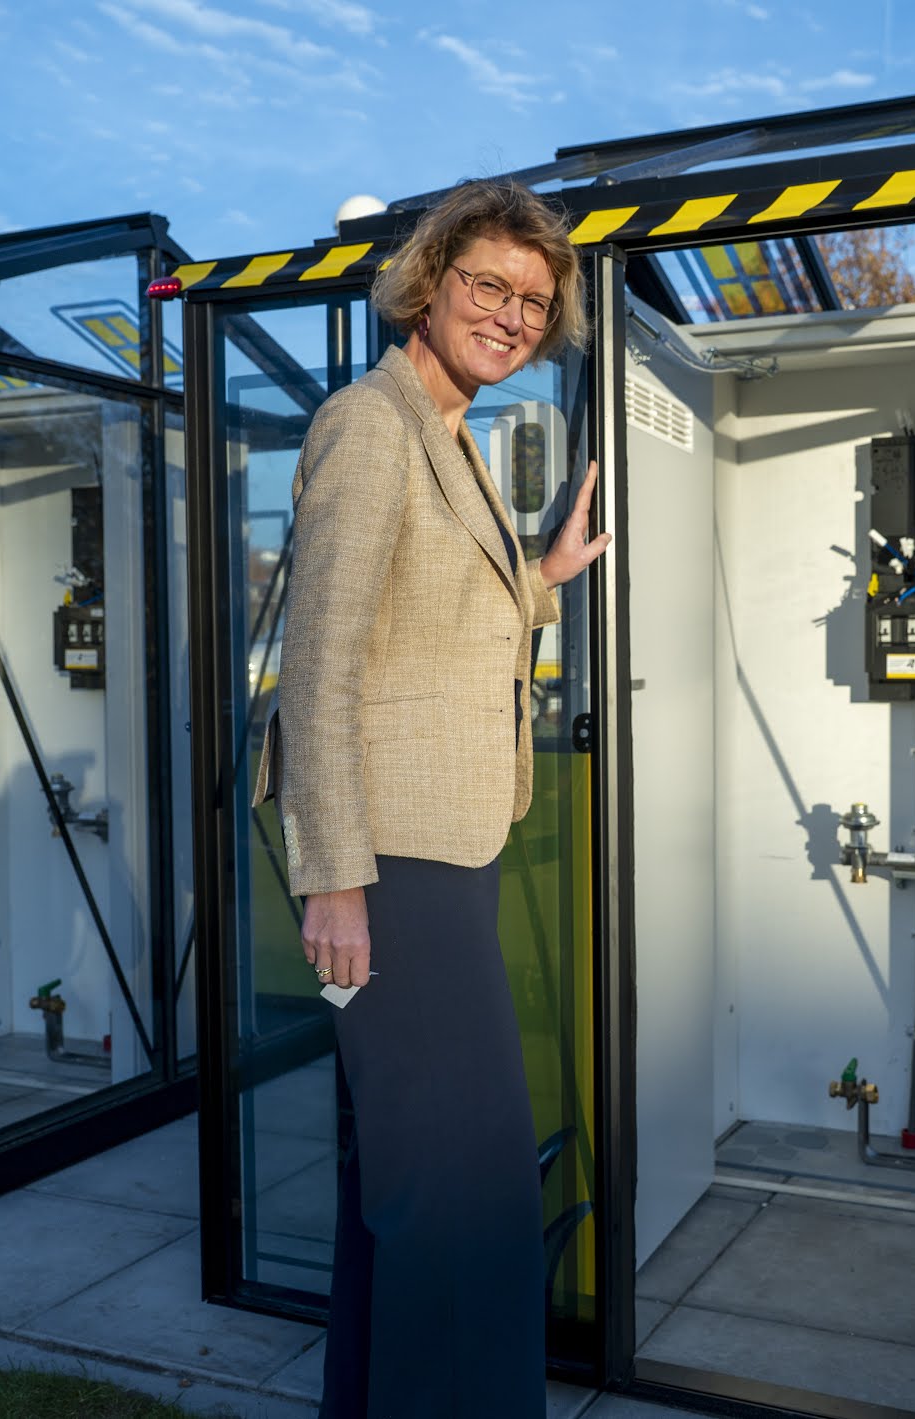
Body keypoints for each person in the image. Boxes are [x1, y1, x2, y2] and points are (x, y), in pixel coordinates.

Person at [250, 179, 610, 1418]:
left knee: (403, 1184)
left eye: (534, 302)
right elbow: (322, 662)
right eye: (489, 286)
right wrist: (334, 880)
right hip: (388, 870)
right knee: (469, 1198)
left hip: (443, 855)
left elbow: (435, 624)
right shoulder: (370, 425)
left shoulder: (448, 434)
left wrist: (544, 576)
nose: (512, 316)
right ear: (427, 283)